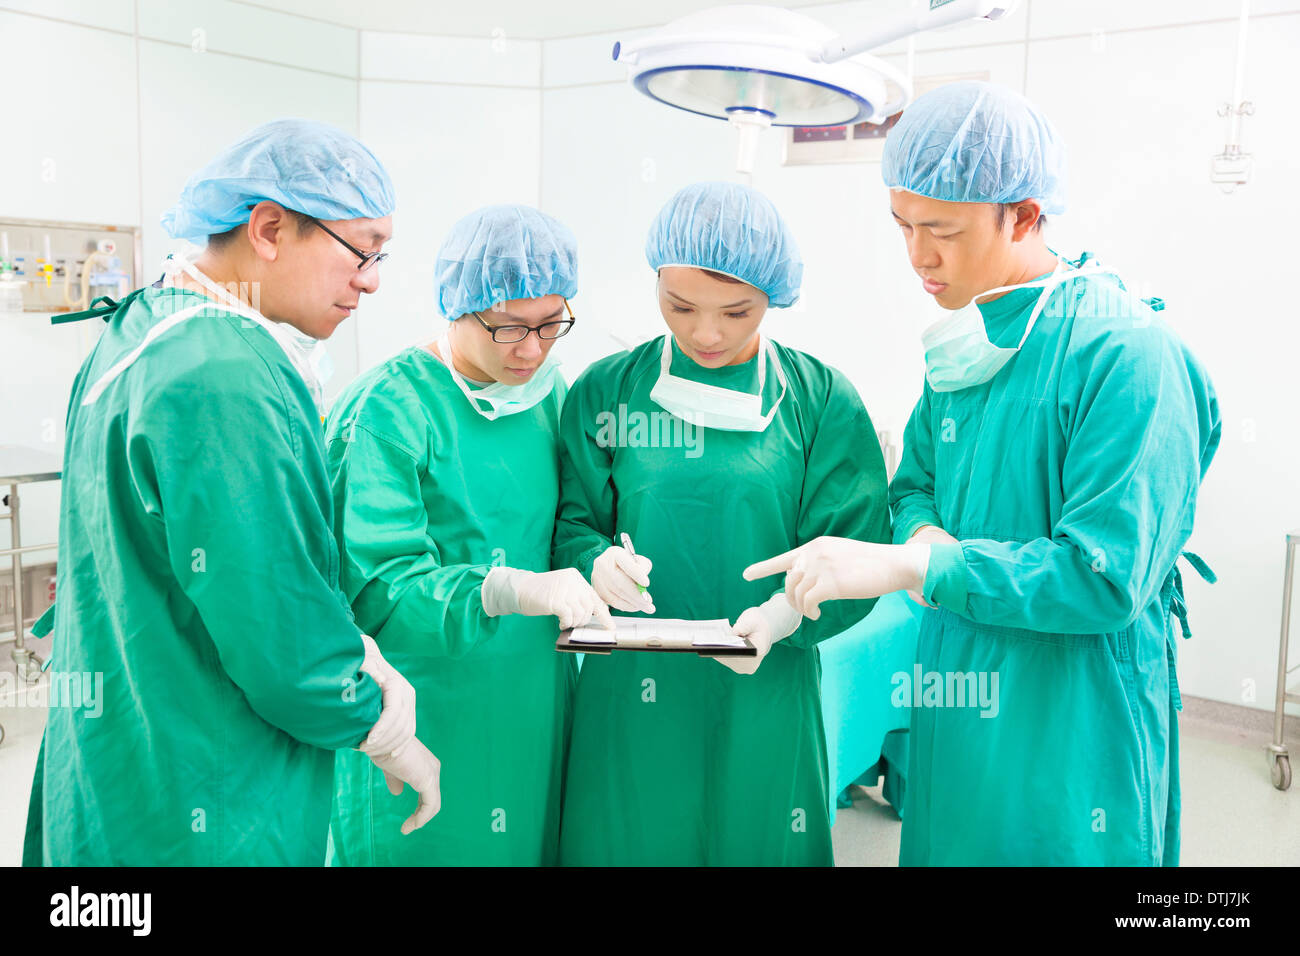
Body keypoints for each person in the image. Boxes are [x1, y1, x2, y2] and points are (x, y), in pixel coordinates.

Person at [745, 81, 1221, 866]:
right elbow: (915, 485)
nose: (918, 256)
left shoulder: (1128, 356)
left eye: (943, 231)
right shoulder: (969, 348)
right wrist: (922, 536)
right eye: (903, 226)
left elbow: (1102, 577)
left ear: (1024, 215)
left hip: (1074, 712)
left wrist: (922, 567)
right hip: (959, 684)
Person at [23, 118, 440, 867]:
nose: (372, 280)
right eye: (362, 251)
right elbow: (278, 634)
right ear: (270, 229)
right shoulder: (228, 376)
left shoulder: (143, 327)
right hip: (205, 801)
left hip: (117, 770)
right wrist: (379, 726)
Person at [553, 181, 891, 866]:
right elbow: (571, 521)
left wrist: (786, 614)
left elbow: (855, 551)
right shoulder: (607, 391)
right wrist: (593, 561)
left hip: (765, 683)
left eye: (736, 312)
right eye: (679, 306)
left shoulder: (820, 401)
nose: (705, 334)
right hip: (632, 690)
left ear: (774, 294)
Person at [325, 204, 611, 866]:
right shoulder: (386, 411)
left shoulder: (548, 395)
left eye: (551, 323)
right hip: (420, 714)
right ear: (458, 307)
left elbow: (565, 524)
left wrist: (596, 561)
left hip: (530, 704)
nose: (532, 350)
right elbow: (377, 589)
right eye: (509, 328)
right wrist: (504, 590)